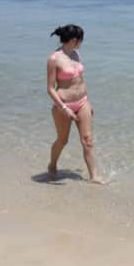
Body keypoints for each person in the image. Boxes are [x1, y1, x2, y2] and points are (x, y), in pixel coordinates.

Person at [46, 24, 102, 184]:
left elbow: (80, 80)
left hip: (83, 101)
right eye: (81, 40)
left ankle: (94, 177)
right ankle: (52, 165)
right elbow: (50, 88)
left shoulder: (76, 55)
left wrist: (88, 103)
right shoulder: (54, 59)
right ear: (74, 40)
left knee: (88, 140)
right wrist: (63, 108)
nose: (81, 43)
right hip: (63, 105)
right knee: (62, 140)